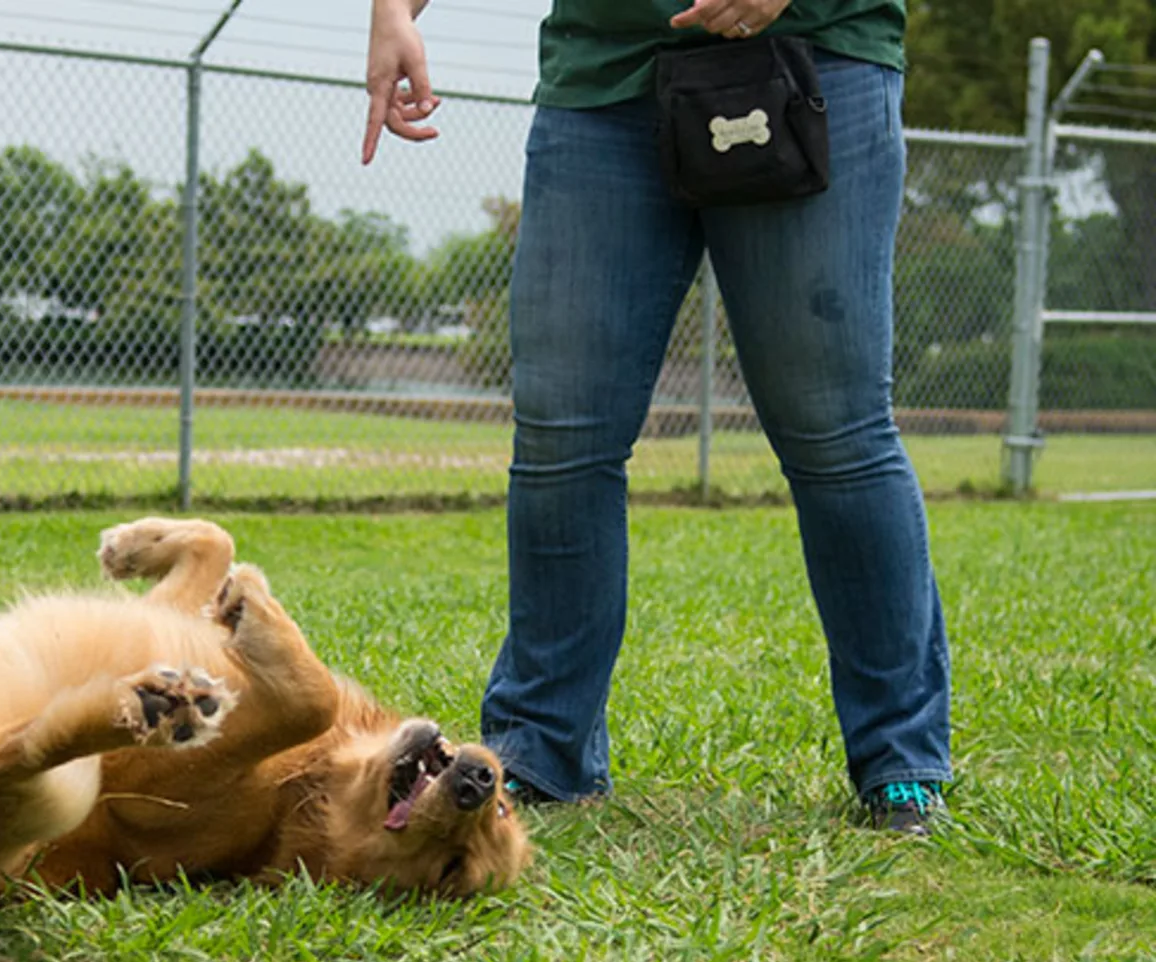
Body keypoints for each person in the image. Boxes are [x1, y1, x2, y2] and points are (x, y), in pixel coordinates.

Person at [361, 0, 952, 833]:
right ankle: (540, 751)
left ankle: (901, 759)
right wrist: (394, 9)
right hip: (603, 79)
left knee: (835, 431)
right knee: (563, 436)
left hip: (811, 52)